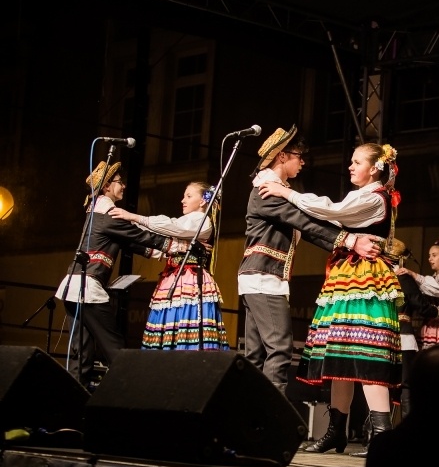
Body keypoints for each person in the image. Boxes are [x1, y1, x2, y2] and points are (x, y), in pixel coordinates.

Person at [259, 142, 404, 457]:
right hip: (345, 274)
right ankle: (337, 431)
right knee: (341, 354)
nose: (350, 167)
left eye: (356, 162)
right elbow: (330, 216)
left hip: (366, 276)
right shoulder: (359, 195)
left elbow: (333, 211)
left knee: (367, 351)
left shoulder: (375, 199)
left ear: (375, 168)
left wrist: (288, 193)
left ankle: (382, 434)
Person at [238, 126, 381, 396]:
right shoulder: (266, 191)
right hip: (264, 276)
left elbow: (309, 228)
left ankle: (249, 423)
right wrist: (350, 241)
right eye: (299, 156)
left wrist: (345, 241)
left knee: (255, 356)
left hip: (260, 276)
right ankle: (272, 422)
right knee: (279, 349)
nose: (302, 162)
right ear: (281, 156)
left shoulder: (274, 189)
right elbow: (303, 221)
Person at [56, 161, 191, 387]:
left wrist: (158, 252)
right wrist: (176, 246)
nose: (124, 186)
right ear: (107, 185)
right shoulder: (108, 214)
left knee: (81, 355)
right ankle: (132, 391)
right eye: (119, 182)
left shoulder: (96, 213)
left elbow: (129, 241)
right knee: (115, 347)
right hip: (87, 289)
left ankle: (73, 409)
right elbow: (138, 235)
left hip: (72, 288)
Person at [109, 181, 229, 351]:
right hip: (172, 278)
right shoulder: (185, 223)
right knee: (168, 326)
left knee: (186, 323)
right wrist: (127, 226)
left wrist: (135, 217)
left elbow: (172, 226)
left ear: (203, 201)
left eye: (189, 196)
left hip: (190, 279)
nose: (182, 200)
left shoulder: (202, 221)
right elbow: (161, 242)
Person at [387, 238, 439, 419]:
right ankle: (409, 432)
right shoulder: (402, 277)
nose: (430, 259)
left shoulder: (377, 275)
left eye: (434, 255)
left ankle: (375, 433)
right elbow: (421, 305)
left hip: (379, 334)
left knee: (380, 382)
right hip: (403, 334)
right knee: (407, 383)